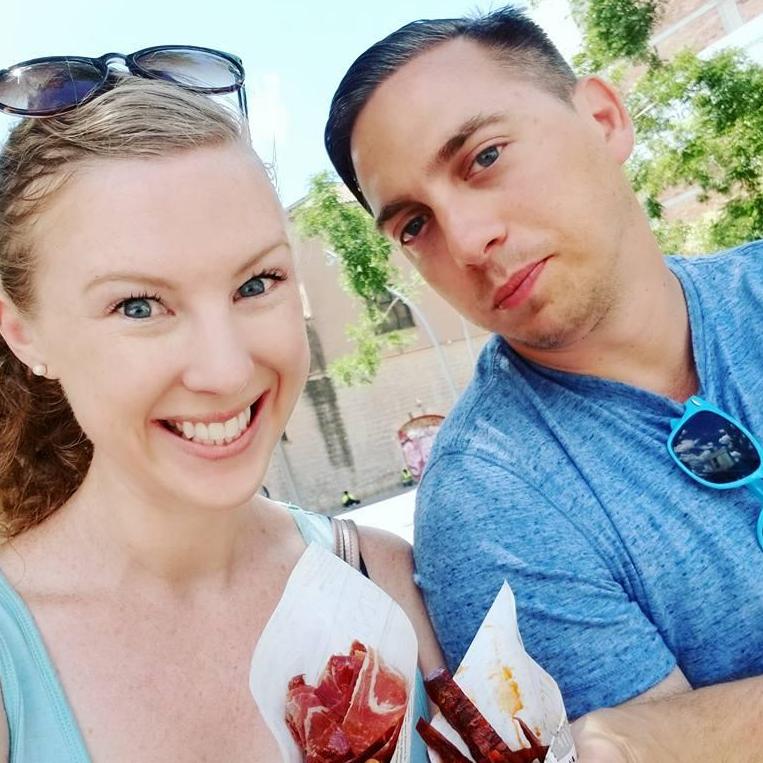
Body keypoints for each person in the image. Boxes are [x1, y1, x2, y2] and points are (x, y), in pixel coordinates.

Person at [324, 6, 763, 760]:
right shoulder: (489, 500)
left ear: (603, 119)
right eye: (414, 225)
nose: (468, 240)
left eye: (485, 157)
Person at [0, 58, 442, 760]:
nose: (227, 369)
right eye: (138, 305)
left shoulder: (383, 581)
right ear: (23, 331)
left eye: (256, 282)